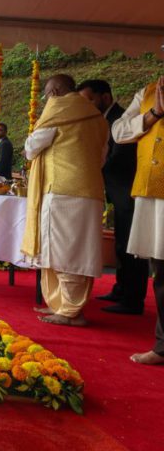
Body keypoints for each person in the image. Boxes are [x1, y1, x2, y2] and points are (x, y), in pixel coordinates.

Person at [23, 74, 107, 327]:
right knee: (79, 251)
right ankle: (63, 305)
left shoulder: (59, 109)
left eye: (47, 94)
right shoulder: (97, 116)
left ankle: (70, 311)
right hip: (90, 190)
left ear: (56, 91)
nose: (47, 100)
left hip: (62, 190)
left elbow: (31, 148)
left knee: (62, 252)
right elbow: (102, 156)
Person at [78, 79, 143, 314]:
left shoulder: (121, 118)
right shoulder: (102, 120)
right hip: (116, 193)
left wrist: (90, 170)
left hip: (128, 192)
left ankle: (132, 299)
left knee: (131, 247)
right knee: (120, 243)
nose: (86, 106)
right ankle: (121, 289)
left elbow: (117, 159)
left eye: (89, 100)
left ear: (105, 97)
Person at [112, 75, 164, 364]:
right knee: (161, 269)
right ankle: (162, 347)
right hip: (153, 190)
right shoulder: (147, 93)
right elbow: (119, 131)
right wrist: (154, 114)